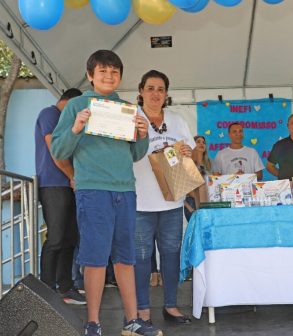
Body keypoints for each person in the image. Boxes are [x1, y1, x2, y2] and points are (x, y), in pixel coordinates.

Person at [51, 50, 158, 336]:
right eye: (103, 71)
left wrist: (143, 134)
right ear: (90, 75)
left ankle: (132, 321)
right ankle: (93, 323)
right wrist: (75, 128)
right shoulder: (76, 106)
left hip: (125, 189)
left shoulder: (128, 108)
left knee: (126, 257)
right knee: (95, 258)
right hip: (93, 190)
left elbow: (135, 154)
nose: (109, 76)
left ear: (120, 76)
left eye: (114, 72)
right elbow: (58, 151)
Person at [132, 70, 194, 326]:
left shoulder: (178, 120)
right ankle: (143, 309)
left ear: (166, 93)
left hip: (172, 201)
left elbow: (189, 157)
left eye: (160, 89)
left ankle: (171, 305)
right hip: (139, 202)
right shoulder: (132, 118)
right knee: (141, 257)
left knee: (171, 254)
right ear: (141, 91)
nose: (155, 93)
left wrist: (189, 152)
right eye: (150, 88)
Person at [35, 88, 85, 305]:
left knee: (70, 238)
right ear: (71, 102)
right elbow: (55, 150)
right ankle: (46, 291)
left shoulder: (68, 120)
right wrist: (72, 176)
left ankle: (66, 287)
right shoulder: (49, 114)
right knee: (55, 238)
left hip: (72, 185)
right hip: (54, 185)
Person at [184, 135, 212, 221]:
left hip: (207, 203)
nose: (201, 144)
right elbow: (186, 188)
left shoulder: (208, 165)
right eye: (198, 142)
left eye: (204, 142)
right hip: (192, 204)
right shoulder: (187, 164)